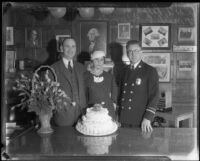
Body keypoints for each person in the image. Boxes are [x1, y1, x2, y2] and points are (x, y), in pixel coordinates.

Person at [118, 40, 159, 132]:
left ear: (141, 52)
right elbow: (119, 95)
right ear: (127, 53)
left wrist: (148, 118)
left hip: (140, 120)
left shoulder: (150, 71)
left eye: (136, 50)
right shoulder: (123, 71)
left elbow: (154, 96)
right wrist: (117, 116)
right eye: (130, 51)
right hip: (123, 119)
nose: (133, 54)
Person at [50, 37, 87, 126]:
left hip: (82, 115)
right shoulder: (53, 68)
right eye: (67, 46)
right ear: (61, 48)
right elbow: (49, 94)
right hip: (64, 116)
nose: (71, 49)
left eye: (73, 46)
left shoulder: (81, 67)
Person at [85, 51, 118, 119]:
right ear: (92, 60)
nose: (99, 62)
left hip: (107, 112)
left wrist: (113, 105)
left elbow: (114, 94)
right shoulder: (85, 76)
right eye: (96, 59)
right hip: (92, 111)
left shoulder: (110, 77)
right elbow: (83, 95)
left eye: (101, 60)